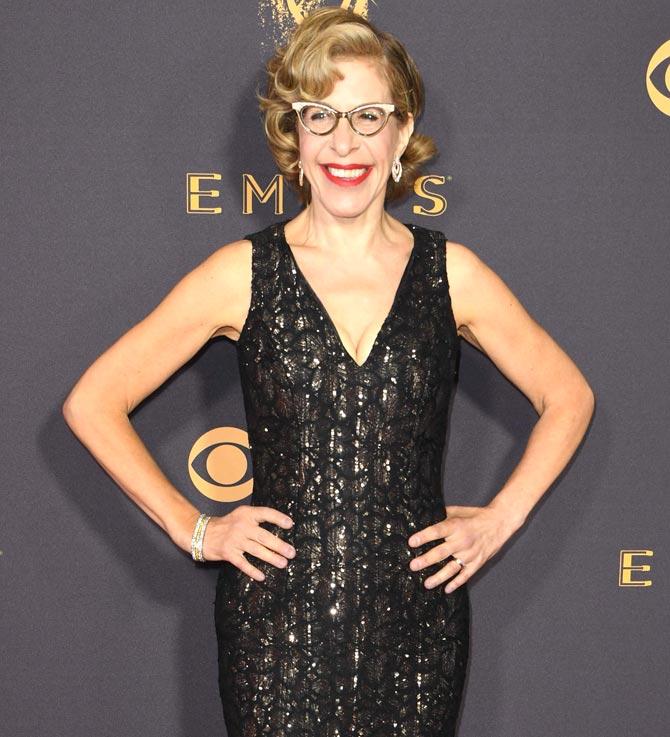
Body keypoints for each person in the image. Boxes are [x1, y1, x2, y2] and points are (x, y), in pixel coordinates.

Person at [62, 7, 595, 736]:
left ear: (402, 132)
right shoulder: (240, 275)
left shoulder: (453, 275)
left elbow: (567, 394)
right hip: (274, 633)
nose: (345, 142)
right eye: (321, 116)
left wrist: (501, 519)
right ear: (295, 135)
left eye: (368, 116)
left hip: (417, 633)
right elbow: (94, 400)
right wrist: (197, 529)